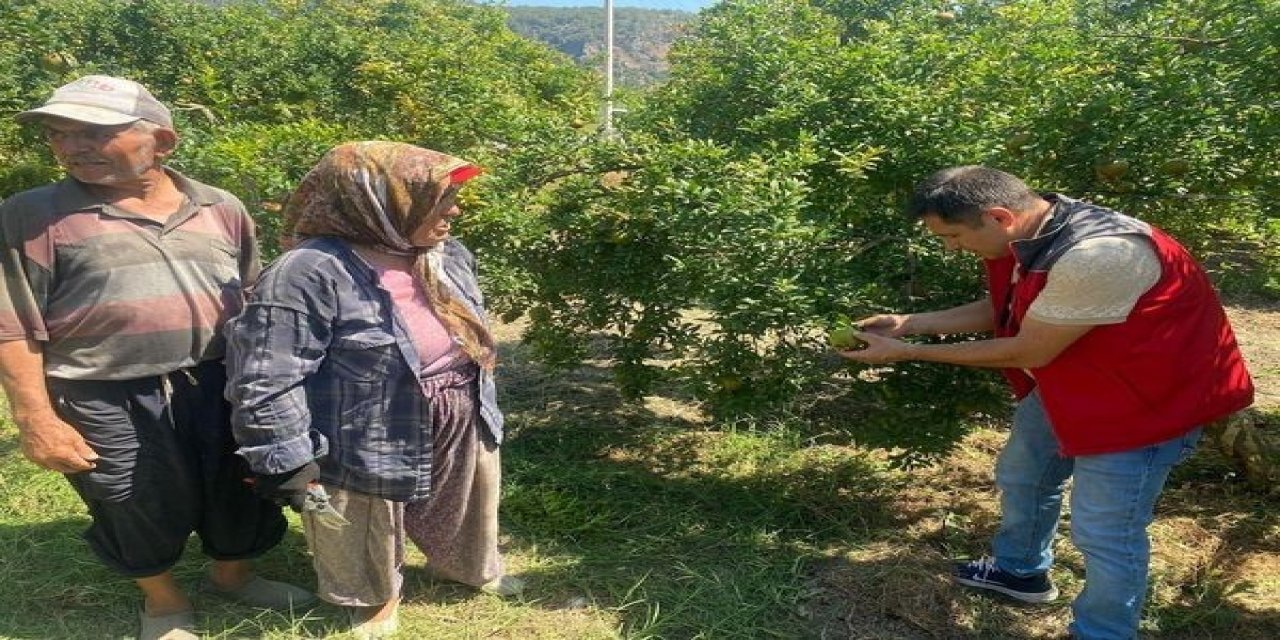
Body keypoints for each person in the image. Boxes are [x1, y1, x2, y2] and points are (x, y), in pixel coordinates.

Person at [837, 166, 1254, 640]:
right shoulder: (1034, 230)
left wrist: (908, 353)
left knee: (1104, 532)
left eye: (952, 236)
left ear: (998, 216)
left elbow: (1029, 347)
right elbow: (1010, 309)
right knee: (1025, 473)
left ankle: (1103, 632)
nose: (950, 248)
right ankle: (1020, 572)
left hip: (1147, 404)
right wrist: (909, 323)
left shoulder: (1099, 255)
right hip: (1080, 382)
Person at [0, 75, 313, 640]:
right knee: (127, 496)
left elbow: (249, 303)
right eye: (59, 134)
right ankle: (164, 603)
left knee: (237, 484)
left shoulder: (221, 206)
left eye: (95, 132)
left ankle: (232, 578)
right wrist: (35, 419)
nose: (73, 146)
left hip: (220, 381)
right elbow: (14, 324)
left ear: (163, 142)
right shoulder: (31, 215)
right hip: (101, 388)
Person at [225, 141, 522, 639]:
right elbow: (266, 376)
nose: (455, 209)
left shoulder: (443, 255)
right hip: (361, 425)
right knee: (362, 516)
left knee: (466, 497)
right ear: (378, 202)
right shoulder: (308, 272)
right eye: (439, 197)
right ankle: (375, 599)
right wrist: (287, 459)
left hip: (456, 402)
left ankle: (463, 566)